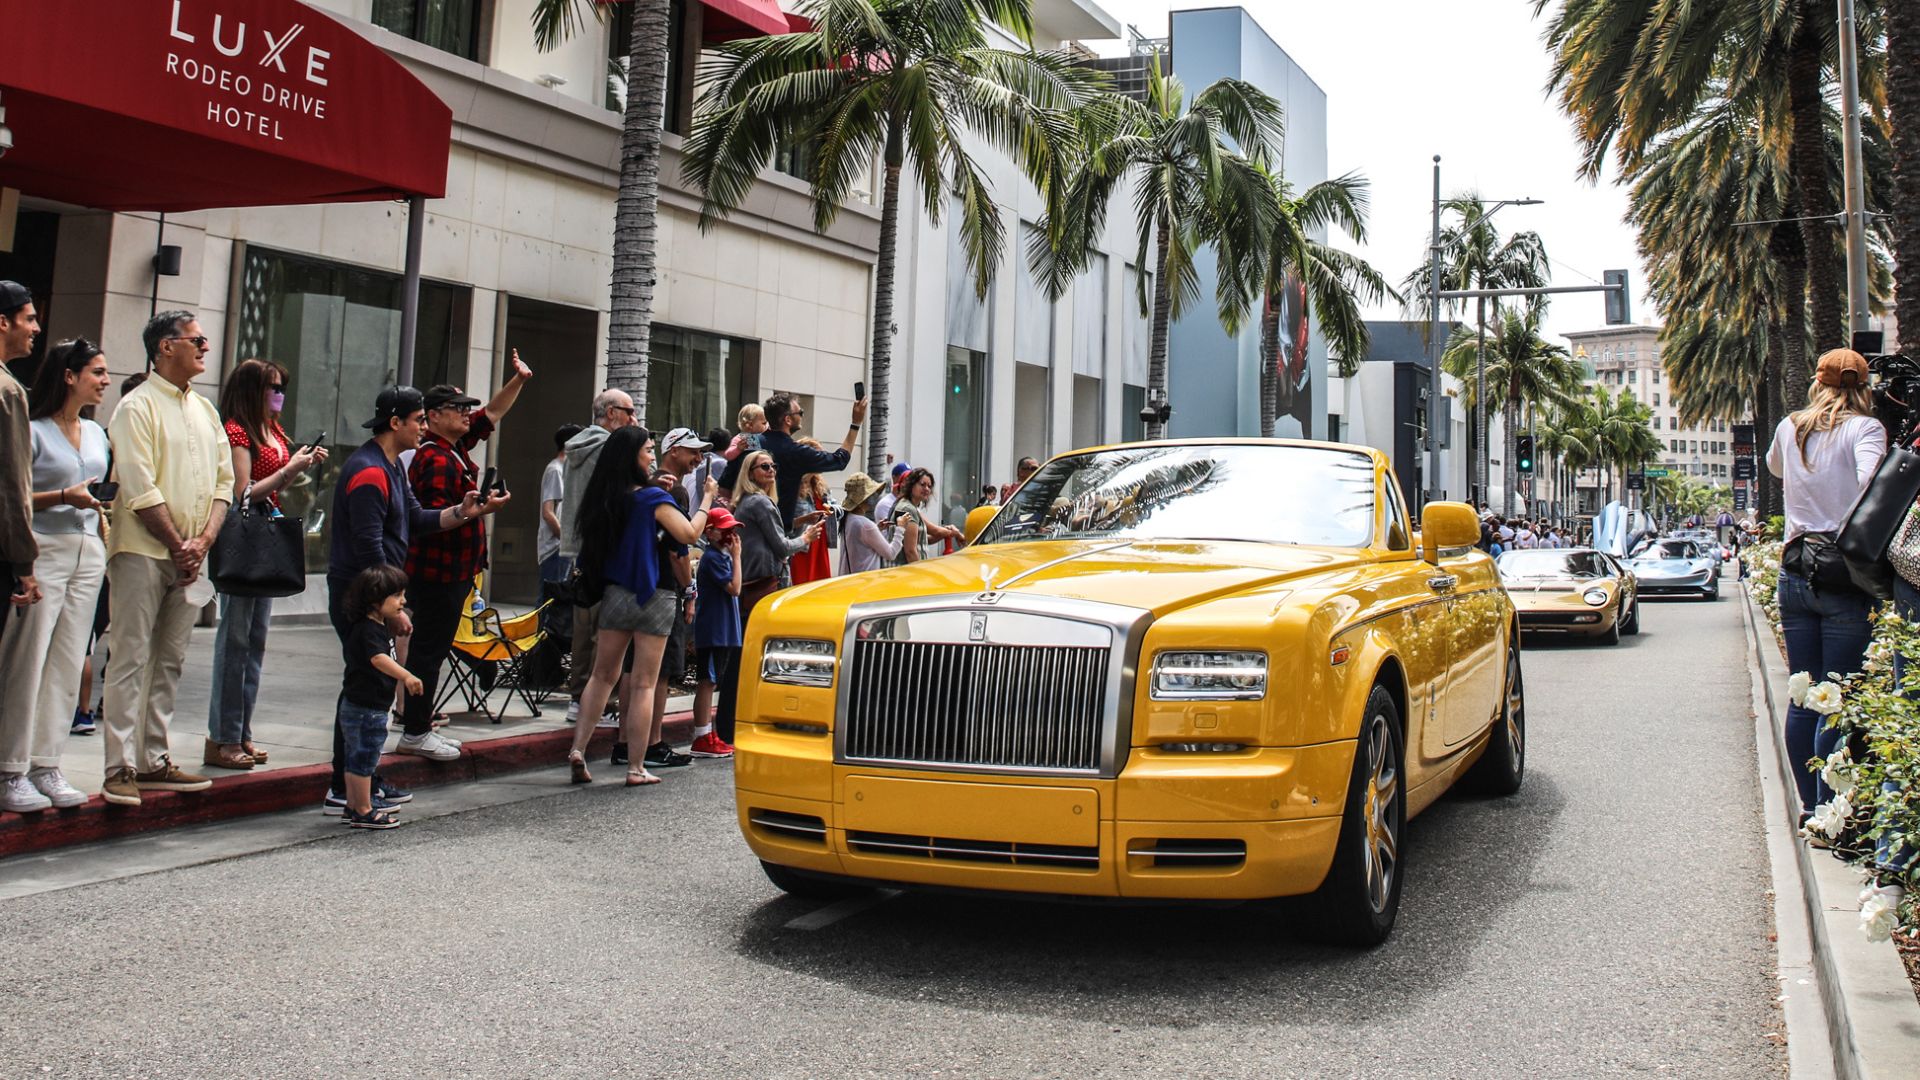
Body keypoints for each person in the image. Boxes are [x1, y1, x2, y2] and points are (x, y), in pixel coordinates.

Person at [323, 385, 505, 815]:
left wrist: (465, 511)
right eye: (418, 420)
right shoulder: (368, 472)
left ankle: (354, 779)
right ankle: (343, 786)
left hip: (375, 595)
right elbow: (369, 548)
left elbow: (417, 519)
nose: (423, 427)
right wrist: (393, 607)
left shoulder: (390, 467)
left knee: (367, 687)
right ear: (395, 423)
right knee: (362, 690)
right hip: (361, 595)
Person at [97, 311, 235, 806]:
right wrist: (181, 544)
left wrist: (203, 543)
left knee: (171, 659)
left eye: (203, 339)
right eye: (194, 339)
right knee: (131, 656)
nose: (203, 346)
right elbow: (137, 484)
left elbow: (225, 483)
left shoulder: (204, 409)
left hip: (190, 555)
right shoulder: (136, 407)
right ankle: (119, 765)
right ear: (164, 347)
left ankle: (154, 758)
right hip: (142, 550)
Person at [1766, 347, 1886, 826]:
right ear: (1862, 387)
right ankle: (1831, 809)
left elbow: (1776, 469)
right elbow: (1872, 483)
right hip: (1844, 573)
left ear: (1818, 381)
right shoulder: (1865, 428)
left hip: (1795, 568)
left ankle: (1809, 806)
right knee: (1836, 696)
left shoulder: (1789, 426)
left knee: (1803, 691)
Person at [564, 426, 716, 786]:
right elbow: (689, 534)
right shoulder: (651, 499)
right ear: (632, 455)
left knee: (603, 676)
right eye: (648, 450)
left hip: (615, 593)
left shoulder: (608, 496)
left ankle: (578, 750)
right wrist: (708, 499)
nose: (652, 456)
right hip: (654, 594)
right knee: (645, 683)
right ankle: (636, 767)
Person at [0, 339, 112, 813]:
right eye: (97, 372)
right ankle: (10, 769)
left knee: (68, 660)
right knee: (27, 661)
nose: (105, 380)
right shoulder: (34, 429)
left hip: (89, 552)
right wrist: (65, 494)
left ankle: (47, 763)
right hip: (44, 548)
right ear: (70, 375)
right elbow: (16, 495)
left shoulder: (95, 433)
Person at [400, 356, 530, 759]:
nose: (467, 415)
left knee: (432, 649)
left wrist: (519, 380)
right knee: (428, 650)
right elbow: (434, 520)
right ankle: (416, 730)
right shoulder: (436, 458)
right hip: (438, 572)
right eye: (458, 409)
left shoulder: (452, 448)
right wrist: (480, 510)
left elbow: (491, 413)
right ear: (434, 416)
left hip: (454, 571)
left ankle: (419, 726)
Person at [205, 359, 326, 771]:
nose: (278, 395)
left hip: (266, 530)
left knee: (254, 640)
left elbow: (273, 487)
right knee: (235, 639)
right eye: (272, 387)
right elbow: (244, 492)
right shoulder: (237, 430)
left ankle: (242, 731)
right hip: (245, 534)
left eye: (282, 386)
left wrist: (297, 466)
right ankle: (223, 734)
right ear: (252, 390)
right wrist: (290, 467)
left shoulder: (272, 431)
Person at [560, 388, 636, 722]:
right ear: (610, 413)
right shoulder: (608, 448)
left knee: (584, 627)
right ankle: (596, 703)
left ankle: (579, 699)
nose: (634, 418)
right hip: (604, 544)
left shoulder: (577, 447)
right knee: (602, 629)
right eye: (629, 411)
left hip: (580, 547)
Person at [336, 564, 418, 830]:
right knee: (365, 759)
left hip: (363, 706)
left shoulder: (377, 625)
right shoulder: (368, 630)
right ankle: (363, 809)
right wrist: (405, 676)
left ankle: (352, 805)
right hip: (366, 708)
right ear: (374, 599)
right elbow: (378, 658)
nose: (403, 601)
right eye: (397, 596)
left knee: (356, 758)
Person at [760, 391, 867, 529]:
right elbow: (840, 460)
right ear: (788, 420)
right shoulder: (796, 452)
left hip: (748, 528)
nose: (802, 416)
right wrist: (856, 423)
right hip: (775, 535)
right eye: (801, 413)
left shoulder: (751, 442)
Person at [0, 281, 42, 616]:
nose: (36, 328)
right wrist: (23, 562)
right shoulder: (8, 391)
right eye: (28, 319)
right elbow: (12, 483)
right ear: (3, 322)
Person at [689, 507, 742, 757]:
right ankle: (702, 735)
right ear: (710, 533)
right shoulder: (712, 558)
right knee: (706, 682)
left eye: (732, 530)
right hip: (713, 630)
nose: (730, 535)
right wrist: (738, 557)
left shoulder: (721, 556)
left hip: (723, 630)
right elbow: (735, 588)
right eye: (725, 530)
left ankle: (709, 733)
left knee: (711, 681)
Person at [838, 473, 912, 575]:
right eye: (872, 494)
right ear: (865, 498)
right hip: (866, 583)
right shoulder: (866, 525)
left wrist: (877, 529)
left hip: (850, 581)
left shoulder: (848, 518)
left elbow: (860, 541)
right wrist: (900, 528)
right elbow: (891, 554)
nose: (875, 496)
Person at [888, 467, 962, 564]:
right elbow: (910, 552)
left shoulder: (909, 507)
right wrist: (920, 573)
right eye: (922, 485)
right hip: (908, 574)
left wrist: (949, 532)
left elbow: (923, 539)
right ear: (911, 485)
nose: (927, 489)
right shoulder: (908, 509)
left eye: (929, 486)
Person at [788, 468, 835, 586]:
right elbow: (785, 524)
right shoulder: (792, 485)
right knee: (800, 586)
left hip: (820, 542)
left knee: (820, 587)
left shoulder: (821, 486)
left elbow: (833, 509)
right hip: (802, 545)